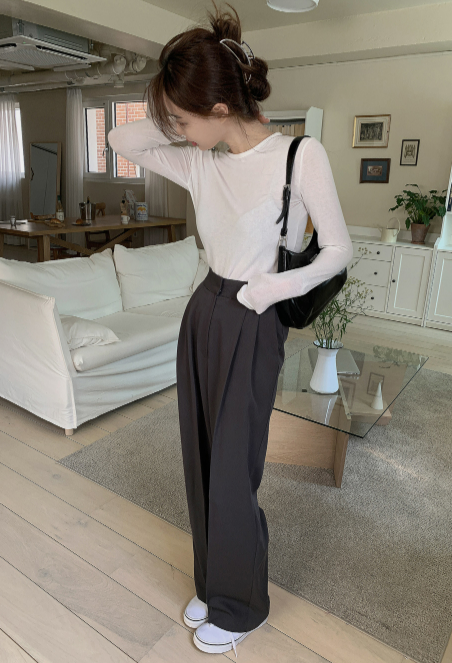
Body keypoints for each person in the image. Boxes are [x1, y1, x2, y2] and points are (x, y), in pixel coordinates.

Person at [108, 1, 353, 656]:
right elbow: (121, 141)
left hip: (255, 313)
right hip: (205, 308)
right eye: (175, 121)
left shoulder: (300, 155)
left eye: (186, 118)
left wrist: (275, 288)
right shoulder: (201, 161)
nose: (178, 131)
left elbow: (339, 250)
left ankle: (242, 606)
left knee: (234, 468)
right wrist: (174, 105)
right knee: (200, 458)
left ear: (220, 108)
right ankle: (214, 584)